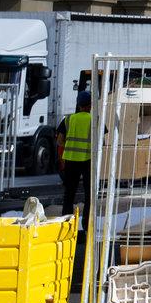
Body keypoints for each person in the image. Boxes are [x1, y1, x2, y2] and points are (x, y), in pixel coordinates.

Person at [57, 74, 94, 240]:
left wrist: (65, 154)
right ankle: (87, 227)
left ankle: (66, 227)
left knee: (69, 194)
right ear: (90, 105)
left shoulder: (68, 119)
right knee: (89, 195)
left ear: (78, 104)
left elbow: (59, 140)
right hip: (88, 161)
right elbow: (101, 141)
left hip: (71, 160)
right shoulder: (94, 119)